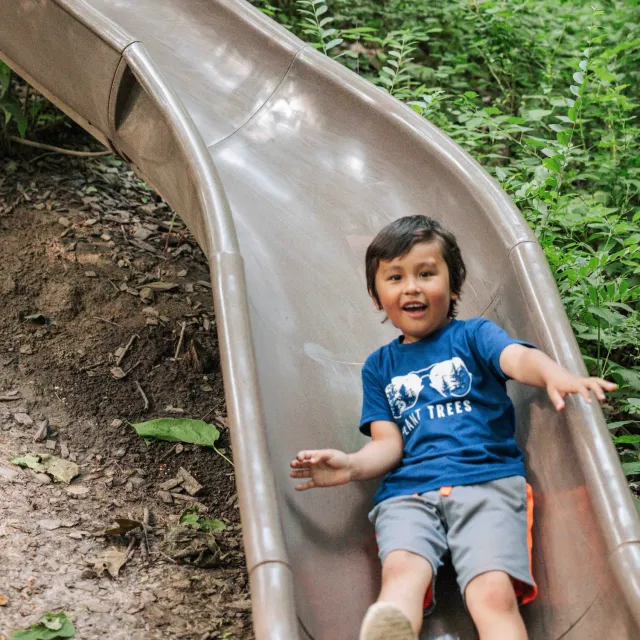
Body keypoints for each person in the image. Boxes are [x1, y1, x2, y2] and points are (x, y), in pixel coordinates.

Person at [290, 216, 616, 640]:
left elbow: (515, 359)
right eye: (395, 277)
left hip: (486, 483)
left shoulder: (474, 336)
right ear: (376, 296)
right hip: (408, 493)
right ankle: (392, 629)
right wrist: (351, 465)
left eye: (426, 274)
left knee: (491, 592)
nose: (412, 286)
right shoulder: (379, 367)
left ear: (454, 286)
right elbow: (388, 445)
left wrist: (553, 373)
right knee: (401, 574)